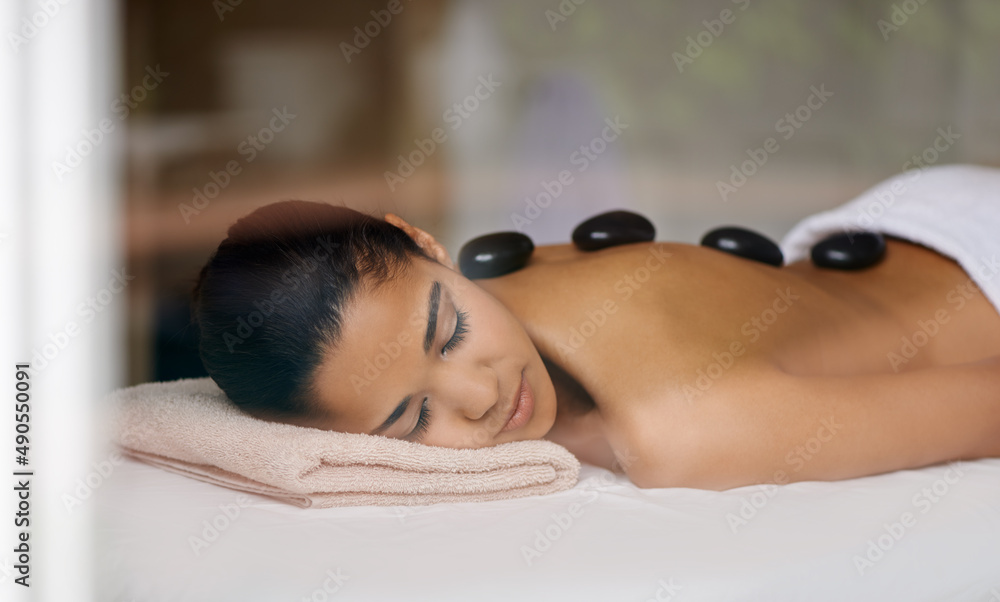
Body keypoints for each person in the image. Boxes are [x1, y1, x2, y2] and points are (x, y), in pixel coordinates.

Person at [191, 179, 1000, 491]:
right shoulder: (495, 274)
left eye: (450, 331)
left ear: (427, 244)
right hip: (880, 229)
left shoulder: (681, 430)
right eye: (409, 420)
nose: (479, 396)